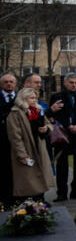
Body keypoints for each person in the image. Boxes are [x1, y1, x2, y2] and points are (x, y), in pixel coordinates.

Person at [6, 87, 55, 199]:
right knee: (29, 180)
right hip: (27, 149)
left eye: (35, 98)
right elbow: (15, 137)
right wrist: (22, 154)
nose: (35, 100)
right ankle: (30, 204)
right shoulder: (15, 114)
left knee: (41, 176)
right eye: (31, 98)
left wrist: (46, 129)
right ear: (23, 99)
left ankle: (40, 202)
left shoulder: (37, 111)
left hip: (39, 148)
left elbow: (49, 125)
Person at [47, 74, 76, 201]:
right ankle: (61, 193)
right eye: (71, 82)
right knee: (62, 165)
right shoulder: (56, 97)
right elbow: (52, 116)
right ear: (65, 83)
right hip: (62, 135)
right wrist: (68, 126)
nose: (74, 85)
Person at [0, 72, 18, 204]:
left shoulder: (20, 98)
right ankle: (5, 198)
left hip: (17, 140)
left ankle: (18, 197)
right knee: (4, 170)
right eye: (6, 82)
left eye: (11, 82)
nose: (9, 84)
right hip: (2, 140)